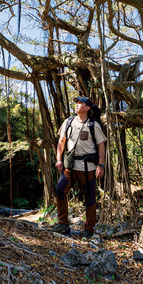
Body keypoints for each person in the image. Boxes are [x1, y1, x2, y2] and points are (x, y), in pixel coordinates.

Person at [52, 95, 106, 239]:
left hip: (88, 167)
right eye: (76, 102)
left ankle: (89, 230)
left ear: (87, 108)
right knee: (60, 190)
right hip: (70, 166)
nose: (77, 104)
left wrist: (101, 165)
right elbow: (61, 141)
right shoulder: (68, 122)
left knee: (89, 198)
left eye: (81, 103)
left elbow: (101, 145)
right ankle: (63, 225)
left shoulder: (93, 125)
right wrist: (58, 159)